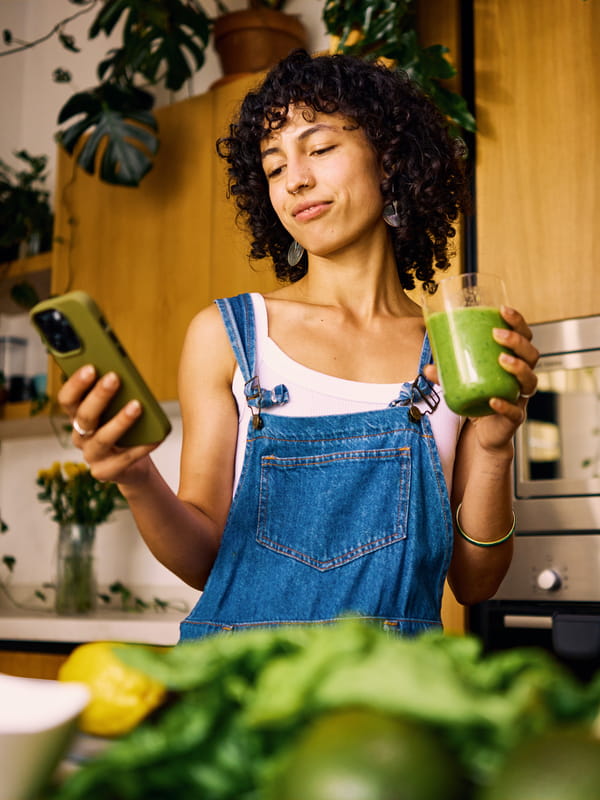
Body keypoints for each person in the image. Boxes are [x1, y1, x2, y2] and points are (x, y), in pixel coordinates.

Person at [59, 50, 539, 641]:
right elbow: (204, 559)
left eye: (321, 148)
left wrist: (494, 447)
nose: (296, 180)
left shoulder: (449, 350)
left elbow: (475, 582)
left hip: (394, 688)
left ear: (389, 159)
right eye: (274, 166)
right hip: (241, 678)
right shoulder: (229, 335)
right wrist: (136, 477)